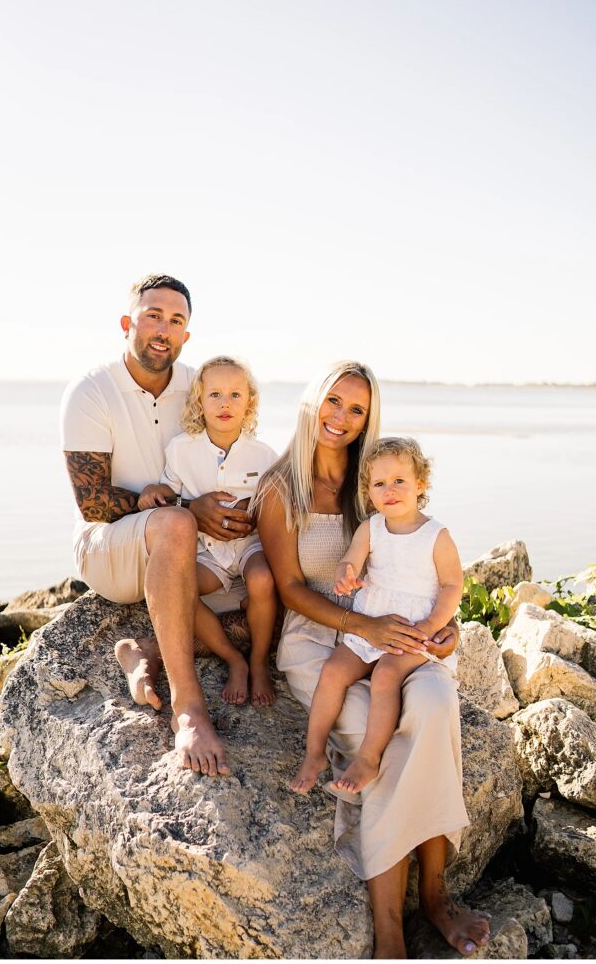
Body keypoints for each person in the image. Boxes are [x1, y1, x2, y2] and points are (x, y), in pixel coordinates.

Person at [255, 362, 490, 959]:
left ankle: (436, 897)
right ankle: (391, 927)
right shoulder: (283, 487)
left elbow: (426, 578)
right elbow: (288, 588)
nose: (341, 417)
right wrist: (366, 625)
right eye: (332, 402)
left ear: (369, 420)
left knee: (435, 710)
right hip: (324, 638)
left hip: (401, 637)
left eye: (356, 409)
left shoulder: (381, 476)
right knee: (378, 741)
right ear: (312, 402)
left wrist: (444, 633)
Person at [60, 274, 252, 777]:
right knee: (174, 525)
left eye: (176, 320)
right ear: (127, 324)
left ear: (187, 335)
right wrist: (189, 506)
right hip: (109, 548)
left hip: (187, 550)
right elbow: (92, 503)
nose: (163, 329)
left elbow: (241, 457)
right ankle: (188, 708)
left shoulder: (199, 385)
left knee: (267, 585)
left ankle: (145, 650)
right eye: (153, 316)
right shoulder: (91, 391)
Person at [291, 436, 463, 801]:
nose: (391, 490)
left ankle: (368, 758)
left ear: (421, 484)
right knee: (334, 670)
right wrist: (346, 574)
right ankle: (314, 752)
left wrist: (431, 626)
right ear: (369, 493)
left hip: (416, 626)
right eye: (380, 484)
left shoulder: (436, 535)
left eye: (400, 481)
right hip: (372, 617)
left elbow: (452, 586)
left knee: (386, 674)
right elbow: (351, 559)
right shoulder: (371, 528)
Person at [141, 355, 278, 706]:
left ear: (249, 403)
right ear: (200, 400)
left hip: (248, 545)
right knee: (181, 589)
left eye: (235, 395)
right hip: (207, 550)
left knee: (263, 580)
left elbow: (276, 503)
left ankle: (259, 661)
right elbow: (169, 492)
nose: (225, 403)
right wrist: (153, 493)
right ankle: (234, 658)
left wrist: (254, 509)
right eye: (215, 394)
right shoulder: (181, 449)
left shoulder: (264, 455)